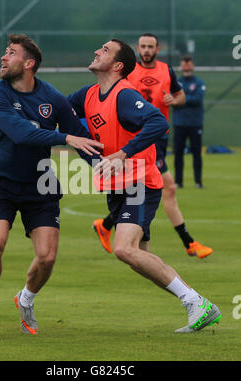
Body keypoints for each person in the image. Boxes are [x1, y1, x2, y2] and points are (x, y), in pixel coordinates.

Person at [68, 38, 220, 333]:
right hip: (116, 186)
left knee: (124, 249)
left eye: (105, 50)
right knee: (140, 258)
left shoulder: (124, 95)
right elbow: (59, 111)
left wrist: (123, 153)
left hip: (139, 182)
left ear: (117, 65)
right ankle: (198, 304)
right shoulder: (87, 94)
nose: (97, 50)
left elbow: (158, 124)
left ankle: (196, 302)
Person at [0, 34, 103, 336]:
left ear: (28, 64)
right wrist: (64, 138)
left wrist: (105, 168)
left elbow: (80, 137)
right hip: (1, 184)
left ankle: (25, 299)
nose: (3, 57)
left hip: (40, 185)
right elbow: (21, 134)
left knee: (47, 256)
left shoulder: (52, 98)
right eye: (5, 52)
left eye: (10, 53)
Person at [93, 33, 212, 259]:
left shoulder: (166, 71)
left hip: (159, 138)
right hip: (140, 143)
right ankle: (189, 242)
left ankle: (108, 225)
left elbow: (181, 96)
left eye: (151, 46)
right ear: (138, 49)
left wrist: (174, 101)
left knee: (149, 188)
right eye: (143, 46)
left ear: (157, 50)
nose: (146, 50)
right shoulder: (127, 73)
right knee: (166, 187)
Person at [173, 55, 206, 188]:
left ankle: (198, 182)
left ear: (192, 65)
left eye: (189, 63)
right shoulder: (176, 82)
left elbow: (197, 99)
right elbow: (173, 100)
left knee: (197, 153)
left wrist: (181, 99)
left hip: (195, 123)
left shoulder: (199, 82)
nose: (186, 65)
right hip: (179, 123)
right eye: (184, 63)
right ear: (181, 65)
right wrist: (181, 100)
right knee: (178, 153)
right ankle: (178, 181)